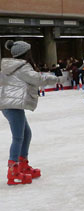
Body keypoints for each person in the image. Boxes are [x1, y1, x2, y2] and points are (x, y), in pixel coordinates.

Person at [0, 40, 60, 185]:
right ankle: (13, 170)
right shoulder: (22, 67)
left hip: (9, 104)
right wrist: (56, 77)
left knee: (26, 134)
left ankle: (22, 164)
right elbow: (37, 79)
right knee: (18, 137)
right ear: (25, 53)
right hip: (12, 105)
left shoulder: (10, 66)